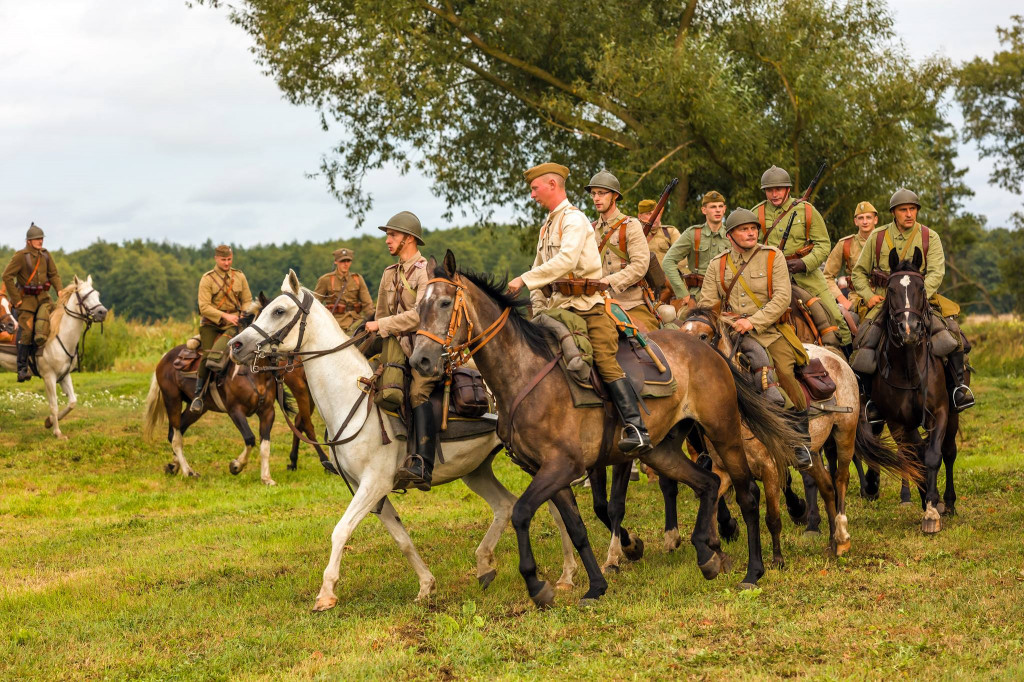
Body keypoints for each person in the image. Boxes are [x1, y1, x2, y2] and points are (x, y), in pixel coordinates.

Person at [507, 162, 651, 453]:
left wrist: (524, 279)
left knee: (603, 357)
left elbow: (566, 261)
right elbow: (540, 268)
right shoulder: (547, 226)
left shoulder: (574, 219)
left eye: (535, 189)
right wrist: (536, 304)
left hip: (588, 306)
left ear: (552, 185)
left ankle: (636, 428)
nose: (532, 195)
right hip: (557, 308)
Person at [699, 208, 813, 469]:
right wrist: (727, 322)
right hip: (729, 332)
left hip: (770, 332)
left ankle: (800, 442)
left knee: (785, 372)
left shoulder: (773, 257)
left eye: (754, 229)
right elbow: (707, 302)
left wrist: (753, 321)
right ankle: (706, 449)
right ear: (730, 235)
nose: (751, 233)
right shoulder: (718, 263)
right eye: (744, 229)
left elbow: (782, 298)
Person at [850, 188, 974, 413]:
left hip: (921, 299)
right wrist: (868, 297)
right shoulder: (878, 237)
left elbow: (936, 271)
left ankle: (958, 389)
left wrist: (918, 296)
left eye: (912, 209)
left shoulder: (930, 236)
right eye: (903, 210)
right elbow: (858, 273)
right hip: (885, 301)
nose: (909, 214)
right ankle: (870, 401)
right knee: (863, 340)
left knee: (953, 333)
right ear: (893, 213)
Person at [364, 211, 438, 489]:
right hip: (394, 345)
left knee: (418, 391)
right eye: (387, 235)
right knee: (367, 379)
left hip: (422, 347)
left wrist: (381, 324)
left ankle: (423, 464)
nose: (387, 240)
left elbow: (420, 315)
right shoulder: (389, 274)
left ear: (408, 238)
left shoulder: (424, 273)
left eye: (392, 235)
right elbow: (381, 315)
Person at [752, 165, 852, 352]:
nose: (774, 194)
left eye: (778, 189)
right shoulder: (756, 214)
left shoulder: (807, 210)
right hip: (768, 278)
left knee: (837, 318)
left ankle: (851, 367)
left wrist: (804, 263)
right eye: (769, 190)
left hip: (806, 277)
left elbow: (823, 244)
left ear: (787, 189)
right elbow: (748, 247)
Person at [584, 170, 659, 332]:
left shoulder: (631, 225)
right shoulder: (589, 230)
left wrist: (609, 281)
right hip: (598, 303)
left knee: (650, 336)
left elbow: (640, 265)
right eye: (594, 194)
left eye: (602, 193)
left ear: (615, 196)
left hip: (631, 303)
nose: (596, 198)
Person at [192, 245, 253, 413]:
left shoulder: (239, 276)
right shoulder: (208, 279)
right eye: (223, 260)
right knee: (208, 355)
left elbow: (247, 299)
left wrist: (244, 313)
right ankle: (199, 395)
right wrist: (226, 316)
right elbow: (204, 307)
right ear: (216, 259)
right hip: (211, 324)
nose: (227, 263)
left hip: (235, 323)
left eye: (229, 259)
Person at [2, 223, 62, 382]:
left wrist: (60, 290)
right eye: (37, 239)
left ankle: (53, 361)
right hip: (26, 302)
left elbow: (54, 275)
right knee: (27, 331)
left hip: (43, 298)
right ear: (29, 241)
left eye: (41, 238)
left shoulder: (46, 255)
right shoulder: (20, 256)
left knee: (52, 323)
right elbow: (7, 276)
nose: (40, 241)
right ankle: (22, 369)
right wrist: (16, 300)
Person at [664, 190, 730, 306]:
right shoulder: (692, 234)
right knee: (682, 320)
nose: (718, 210)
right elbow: (668, 262)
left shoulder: (732, 235)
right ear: (704, 210)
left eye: (720, 206)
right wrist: (683, 293)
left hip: (726, 294)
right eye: (713, 207)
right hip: (698, 295)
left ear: (724, 209)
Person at [824, 201, 877, 315]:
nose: (865, 221)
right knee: (843, 327)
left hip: (882, 298)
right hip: (856, 301)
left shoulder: (886, 242)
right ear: (855, 221)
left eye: (868, 217)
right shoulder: (846, 244)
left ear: (875, 220)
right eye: (861, 218)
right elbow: (827, 276)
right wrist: (843, 301)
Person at [313, 248, 374, 333]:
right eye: (342, 261)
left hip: (355, 320)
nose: (345, 264)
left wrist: (373, 319)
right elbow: (315, 305)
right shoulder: (326, 280)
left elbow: (367, 304)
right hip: (334, 322)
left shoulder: (357, 279)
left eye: (348, 261)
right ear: (336, 262)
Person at [640, 199, 680, 266]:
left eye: (656, 214)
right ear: (640, 216)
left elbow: (682, 257)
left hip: (667, 275)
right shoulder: (634, 234)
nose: (654, 217)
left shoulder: (670, 232)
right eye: (648, 214)